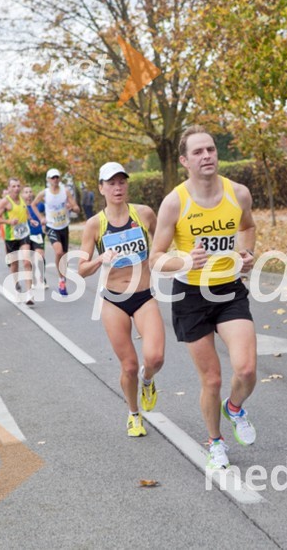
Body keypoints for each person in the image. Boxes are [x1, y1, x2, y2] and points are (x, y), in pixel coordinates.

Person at [150, 125, 258, 470]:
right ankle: (215, 442)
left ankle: (234, 408)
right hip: (191, 296)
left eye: (210, 149)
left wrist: (247, 252)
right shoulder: (174, 202)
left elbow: (247, 226)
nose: (206, 156)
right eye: (197, 152)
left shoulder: (238, 193)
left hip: (229, 290)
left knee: (247, 369)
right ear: (184, 161)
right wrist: (184, 260)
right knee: (211, 379)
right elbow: (156, 258)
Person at [78, 162, 165, 437]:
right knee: (128, 365)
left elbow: (163, 243)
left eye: (122, 182)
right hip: (114, 300)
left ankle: (147, 380)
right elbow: (81, 269)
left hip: (144, 295)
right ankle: (133, 414)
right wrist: (99, 260)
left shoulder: (144, 214)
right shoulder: (95, 225)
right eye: (111, 183)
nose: (117, 188)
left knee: (155, 357)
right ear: (101, 188)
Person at [33, 168, 79, 296]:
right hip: (51, 226)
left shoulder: (65, 191)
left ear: (59, 178)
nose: (55, 179)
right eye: (52, 177)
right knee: (58, 251)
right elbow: (33, 204)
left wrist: (72, 207)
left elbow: (77, 208)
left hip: (64, 226)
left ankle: (62, 279)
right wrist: (41, 218)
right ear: (48, 179)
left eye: (57, 177)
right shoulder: (45, 193)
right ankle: (61, 279)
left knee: (64, 256)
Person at [0, 178, 34, 305]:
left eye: (18, 186)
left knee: (27, 261)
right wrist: (8, 222)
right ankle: (16, 287)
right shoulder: (5, 202)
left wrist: (31, 219)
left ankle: (29, 293)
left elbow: (25, 211)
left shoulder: (22, 199)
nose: (16, 188)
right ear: (9, 188)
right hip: (11, 237)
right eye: (14, 186)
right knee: (14, 264)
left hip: (24, 234)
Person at [23, 186, 48, 289]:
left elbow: (49, 212)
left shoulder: (40, 205)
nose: (28, 194)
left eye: (30, 192)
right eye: (26, 192)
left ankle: (42, 278)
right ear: (22, 194)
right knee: (29, 259)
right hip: (25, 235)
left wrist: (44, 222)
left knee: (40, 256)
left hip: (38, 233)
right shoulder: (21, 206)